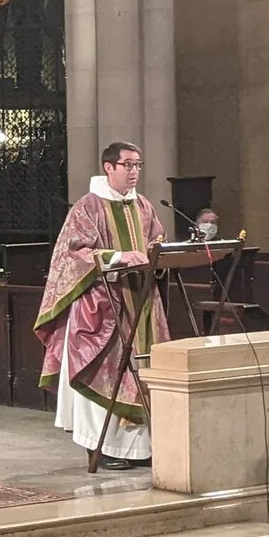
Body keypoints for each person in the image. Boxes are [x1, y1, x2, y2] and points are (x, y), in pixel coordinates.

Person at [34, 141, 166, 471]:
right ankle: (103, 447)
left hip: (141, 301)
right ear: (109, 167)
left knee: (144, 371)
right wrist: (118, 256)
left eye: (138, 165)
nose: (134, 171)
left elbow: (156, 242)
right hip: (102, 306)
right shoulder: (88, 207)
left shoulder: (144, 206)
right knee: (104, 372)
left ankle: (141, 449)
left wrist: (160, 255)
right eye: (128, 165)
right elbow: (71, 254)